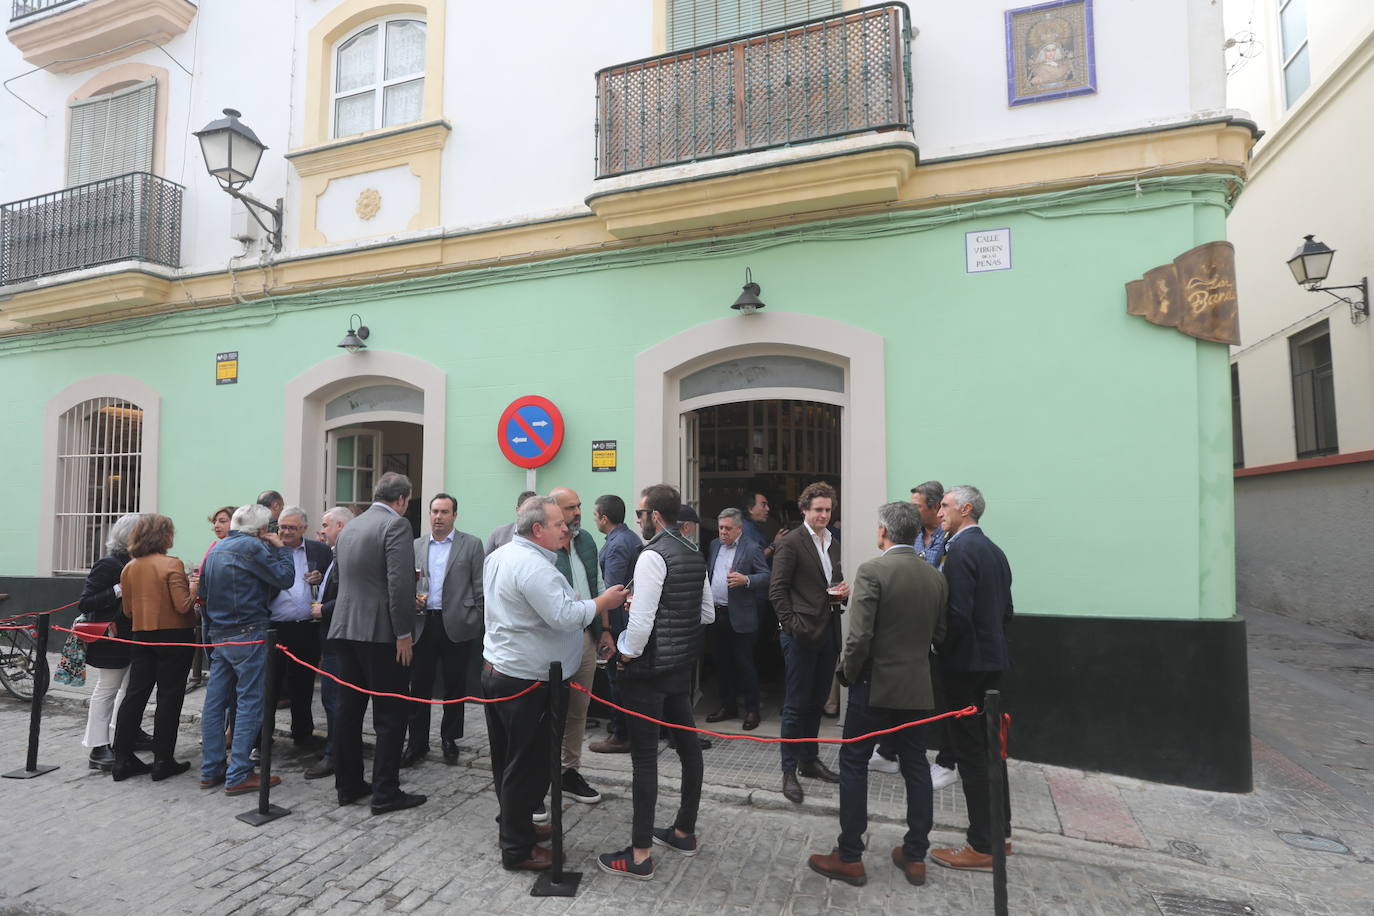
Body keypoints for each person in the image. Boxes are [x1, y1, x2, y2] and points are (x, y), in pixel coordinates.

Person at [482, 496, 627, 871]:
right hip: (527, 680)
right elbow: (564, 616)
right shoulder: (534, 567)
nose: (567, 528)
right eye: (559, 524)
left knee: (509, 762)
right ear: (537, 530)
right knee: (525, 767)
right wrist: (602, 602)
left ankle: (516, 829)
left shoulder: (503, 556)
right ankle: (517, 848)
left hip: (505, 672)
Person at [807, 501, 947, 888]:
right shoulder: (934, 577)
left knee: (853, 764)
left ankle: (850, 854)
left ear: (883, 532)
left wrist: (847, 675)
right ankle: (915, 853)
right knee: (915, 765)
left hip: (874, 684)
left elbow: (859, 635)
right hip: (917, 686)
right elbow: (940, 635)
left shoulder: (873, 570)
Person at [596, 484, 714, 880]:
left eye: (641, 514)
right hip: (680, 667)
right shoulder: (695, 551)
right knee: (686, 746)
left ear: (656, 517)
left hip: (646, 671)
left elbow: (643, 621)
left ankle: (640, 853)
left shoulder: (653, 555)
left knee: (644, 759)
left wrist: (625, 653)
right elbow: (707, 613)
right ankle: (683, 830)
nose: (639, 520)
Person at [329, 472, 428, 816]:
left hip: (345, 627)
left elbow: (340, 578)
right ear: (402, 500)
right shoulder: (396, 526)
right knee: (391, 714)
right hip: (382, 634)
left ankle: (348, 784)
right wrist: (404, 633)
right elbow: (399, 586)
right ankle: (385, 792)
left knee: (348, 710)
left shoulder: (350, 526)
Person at [930, 485, 1014, 872]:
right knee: (990, 751)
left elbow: (957, 614)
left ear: (966, 509)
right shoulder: (994, 551)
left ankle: (982, 845)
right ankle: (1000, 835)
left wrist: (938, 649)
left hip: (966, 667)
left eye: (945, 505)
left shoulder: (962, 549)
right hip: (992, 662)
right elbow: (1006, 612)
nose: (939, 511)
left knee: (972, 755)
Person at [198, 503, 294, 795]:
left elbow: (202, 594)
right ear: (263, 530)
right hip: (248, 633)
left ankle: (211, 768)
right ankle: (239, 772)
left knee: (215, 703)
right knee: (250, 702)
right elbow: (285, 578)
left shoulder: (216, 549)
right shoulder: (253, 548)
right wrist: (281, 548)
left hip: (219, 633)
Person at [770, 481, 847, 804]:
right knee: (796, 703)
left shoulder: (832, 542)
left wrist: (842, 593)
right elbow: (777, 590)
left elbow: (830, 581)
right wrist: (792, 626)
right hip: (800, 633)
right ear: (804, 510)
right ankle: (788, 770)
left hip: (828, 629)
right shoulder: (792, 543)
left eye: (828, 510)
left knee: (816, 701)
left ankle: (808, 760)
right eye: (818, 510)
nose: (824, 515)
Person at [110, 514, 198, 782]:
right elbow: (183, 606)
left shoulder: (129, 568)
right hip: (174, 637)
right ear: (165, 536)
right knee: (169, 697)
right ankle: (162, 760)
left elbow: (127, 611)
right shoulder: (172, 564)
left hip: (141, 634)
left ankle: (122, 759)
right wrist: (194, 585)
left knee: (135, 695)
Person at [872, 481, 951, 777]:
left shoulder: (949, 536)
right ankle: (887, 752)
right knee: (900, 696)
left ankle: (945, 761)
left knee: (942, 698)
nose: (911, 510)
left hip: (937, 626)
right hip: (907, 630)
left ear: (934, 506)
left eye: (917, 506)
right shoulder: (912, 536)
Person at [403, 493, 484, 767]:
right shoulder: (415, 545)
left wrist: (477, 619)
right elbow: (405, 582)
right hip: (422, 622)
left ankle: (450, 739)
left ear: (454, 515)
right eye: (434, 511)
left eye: (444, 512)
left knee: (455, 686)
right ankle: (417, 742)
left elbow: (479, 586)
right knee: (419, 686)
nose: (438, 517)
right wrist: (410, 598)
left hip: (457, 624)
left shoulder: (471, 545)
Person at [78, 514, 150, 772]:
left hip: (135, 634)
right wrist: (120, 588)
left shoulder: (139, 562)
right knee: (107, 688)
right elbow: (86, 602)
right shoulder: (108, 564)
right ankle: (98, 746)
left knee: (131, 689)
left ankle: (127, 733)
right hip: (111, 637)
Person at [549, 486, 603, 805]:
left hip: (586, 635)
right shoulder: (544, 546)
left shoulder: (585, 541)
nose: (578, 512)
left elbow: (598, 584)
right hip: (554, 641)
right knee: (550, 708)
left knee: (578, 709)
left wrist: (604, 630)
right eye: (570, 508)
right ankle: (544, 771)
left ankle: (569, 770)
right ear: (553, 512)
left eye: (579, 506)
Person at [268, 506, 331, 751]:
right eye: (282, 527)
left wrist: (321, 576)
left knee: (303, 684)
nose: (285, 532)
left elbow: (332, 579)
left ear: (304, 528)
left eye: (292, 528)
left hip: (306, 627)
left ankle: (303, 734)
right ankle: (262, 737)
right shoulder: (269, 550)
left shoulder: (320, 550)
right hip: (274, 627)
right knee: (269, 686)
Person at [704, 508, 769, 730]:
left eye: (728, 529)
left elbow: (766, 576)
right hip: (717, 614)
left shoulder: (751, 548)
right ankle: (727, 705)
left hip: (741, 616)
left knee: (744, 664)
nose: (723, 532)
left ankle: (752, 710)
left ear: (739, 529)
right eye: (720, 528)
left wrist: (746, 580)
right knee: (722, 664)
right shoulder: (714, 546)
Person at [305, 506, 354, 780]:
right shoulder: (334, 556)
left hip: (339, 637)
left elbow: (350, 594)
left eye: (325, 525)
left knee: (334, 699)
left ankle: (336, 754)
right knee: (330, 698)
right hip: (329, 637)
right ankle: (334, 747)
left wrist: (322, 609)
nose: (321, 531)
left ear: (340, 526)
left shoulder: (346, 555)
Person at [589, 494, 640, 755]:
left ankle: (622, 734)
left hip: (619, 623)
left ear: (604, 518)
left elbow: (611, 591)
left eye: (595, 515)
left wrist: (606, 630)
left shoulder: (617, 545)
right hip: (627, 620)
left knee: (615, 677)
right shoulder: (628, 537)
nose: (593, 520)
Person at [485, 490, 537, 555]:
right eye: (527, 510)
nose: (530, 514)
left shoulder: (542, 536)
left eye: (534, 510)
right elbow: (485, 560)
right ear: (517, 509)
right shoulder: (500, 533)